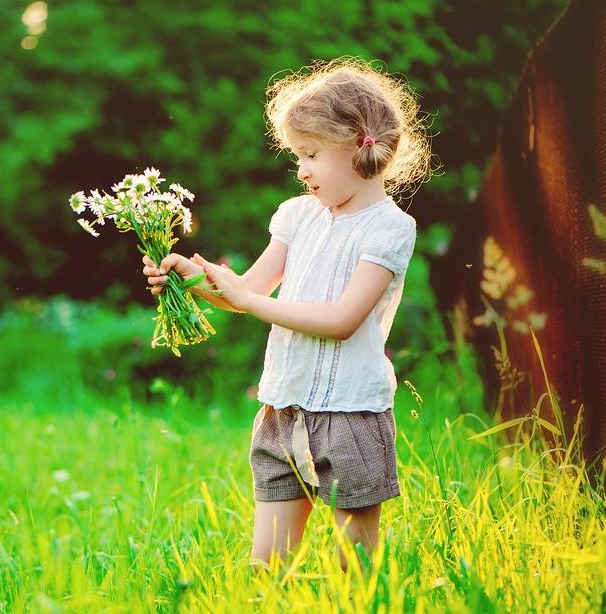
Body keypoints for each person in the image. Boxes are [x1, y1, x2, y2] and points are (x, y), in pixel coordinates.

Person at [140, 57, 433, 574]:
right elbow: (246, 291)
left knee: (354, 572)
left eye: (312, 154)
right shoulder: (298, 215)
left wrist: (251, 303)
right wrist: (191, 279)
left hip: (351, 414)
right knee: (267, 568)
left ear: (359, 145)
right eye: (298, 155)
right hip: (281, 410)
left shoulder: (389, 229)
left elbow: (343, 319)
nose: (301, 169)